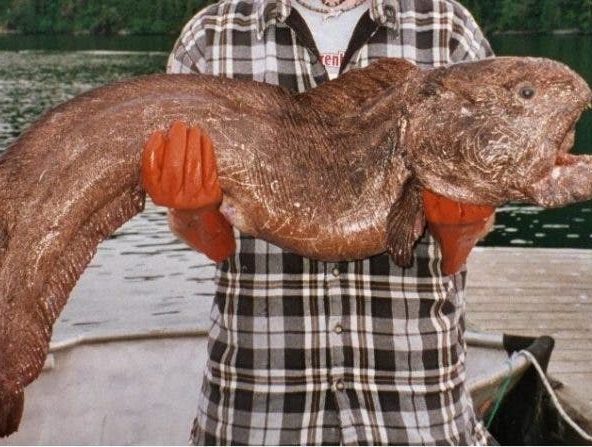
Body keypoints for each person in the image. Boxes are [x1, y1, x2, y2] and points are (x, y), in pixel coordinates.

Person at [143, 0, 494, 444]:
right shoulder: (212, 37)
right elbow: (217, 246)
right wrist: (192, 213)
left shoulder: (447, 28)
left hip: (416, 409)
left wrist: (459, 229)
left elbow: (456, 255)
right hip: (257, 408)